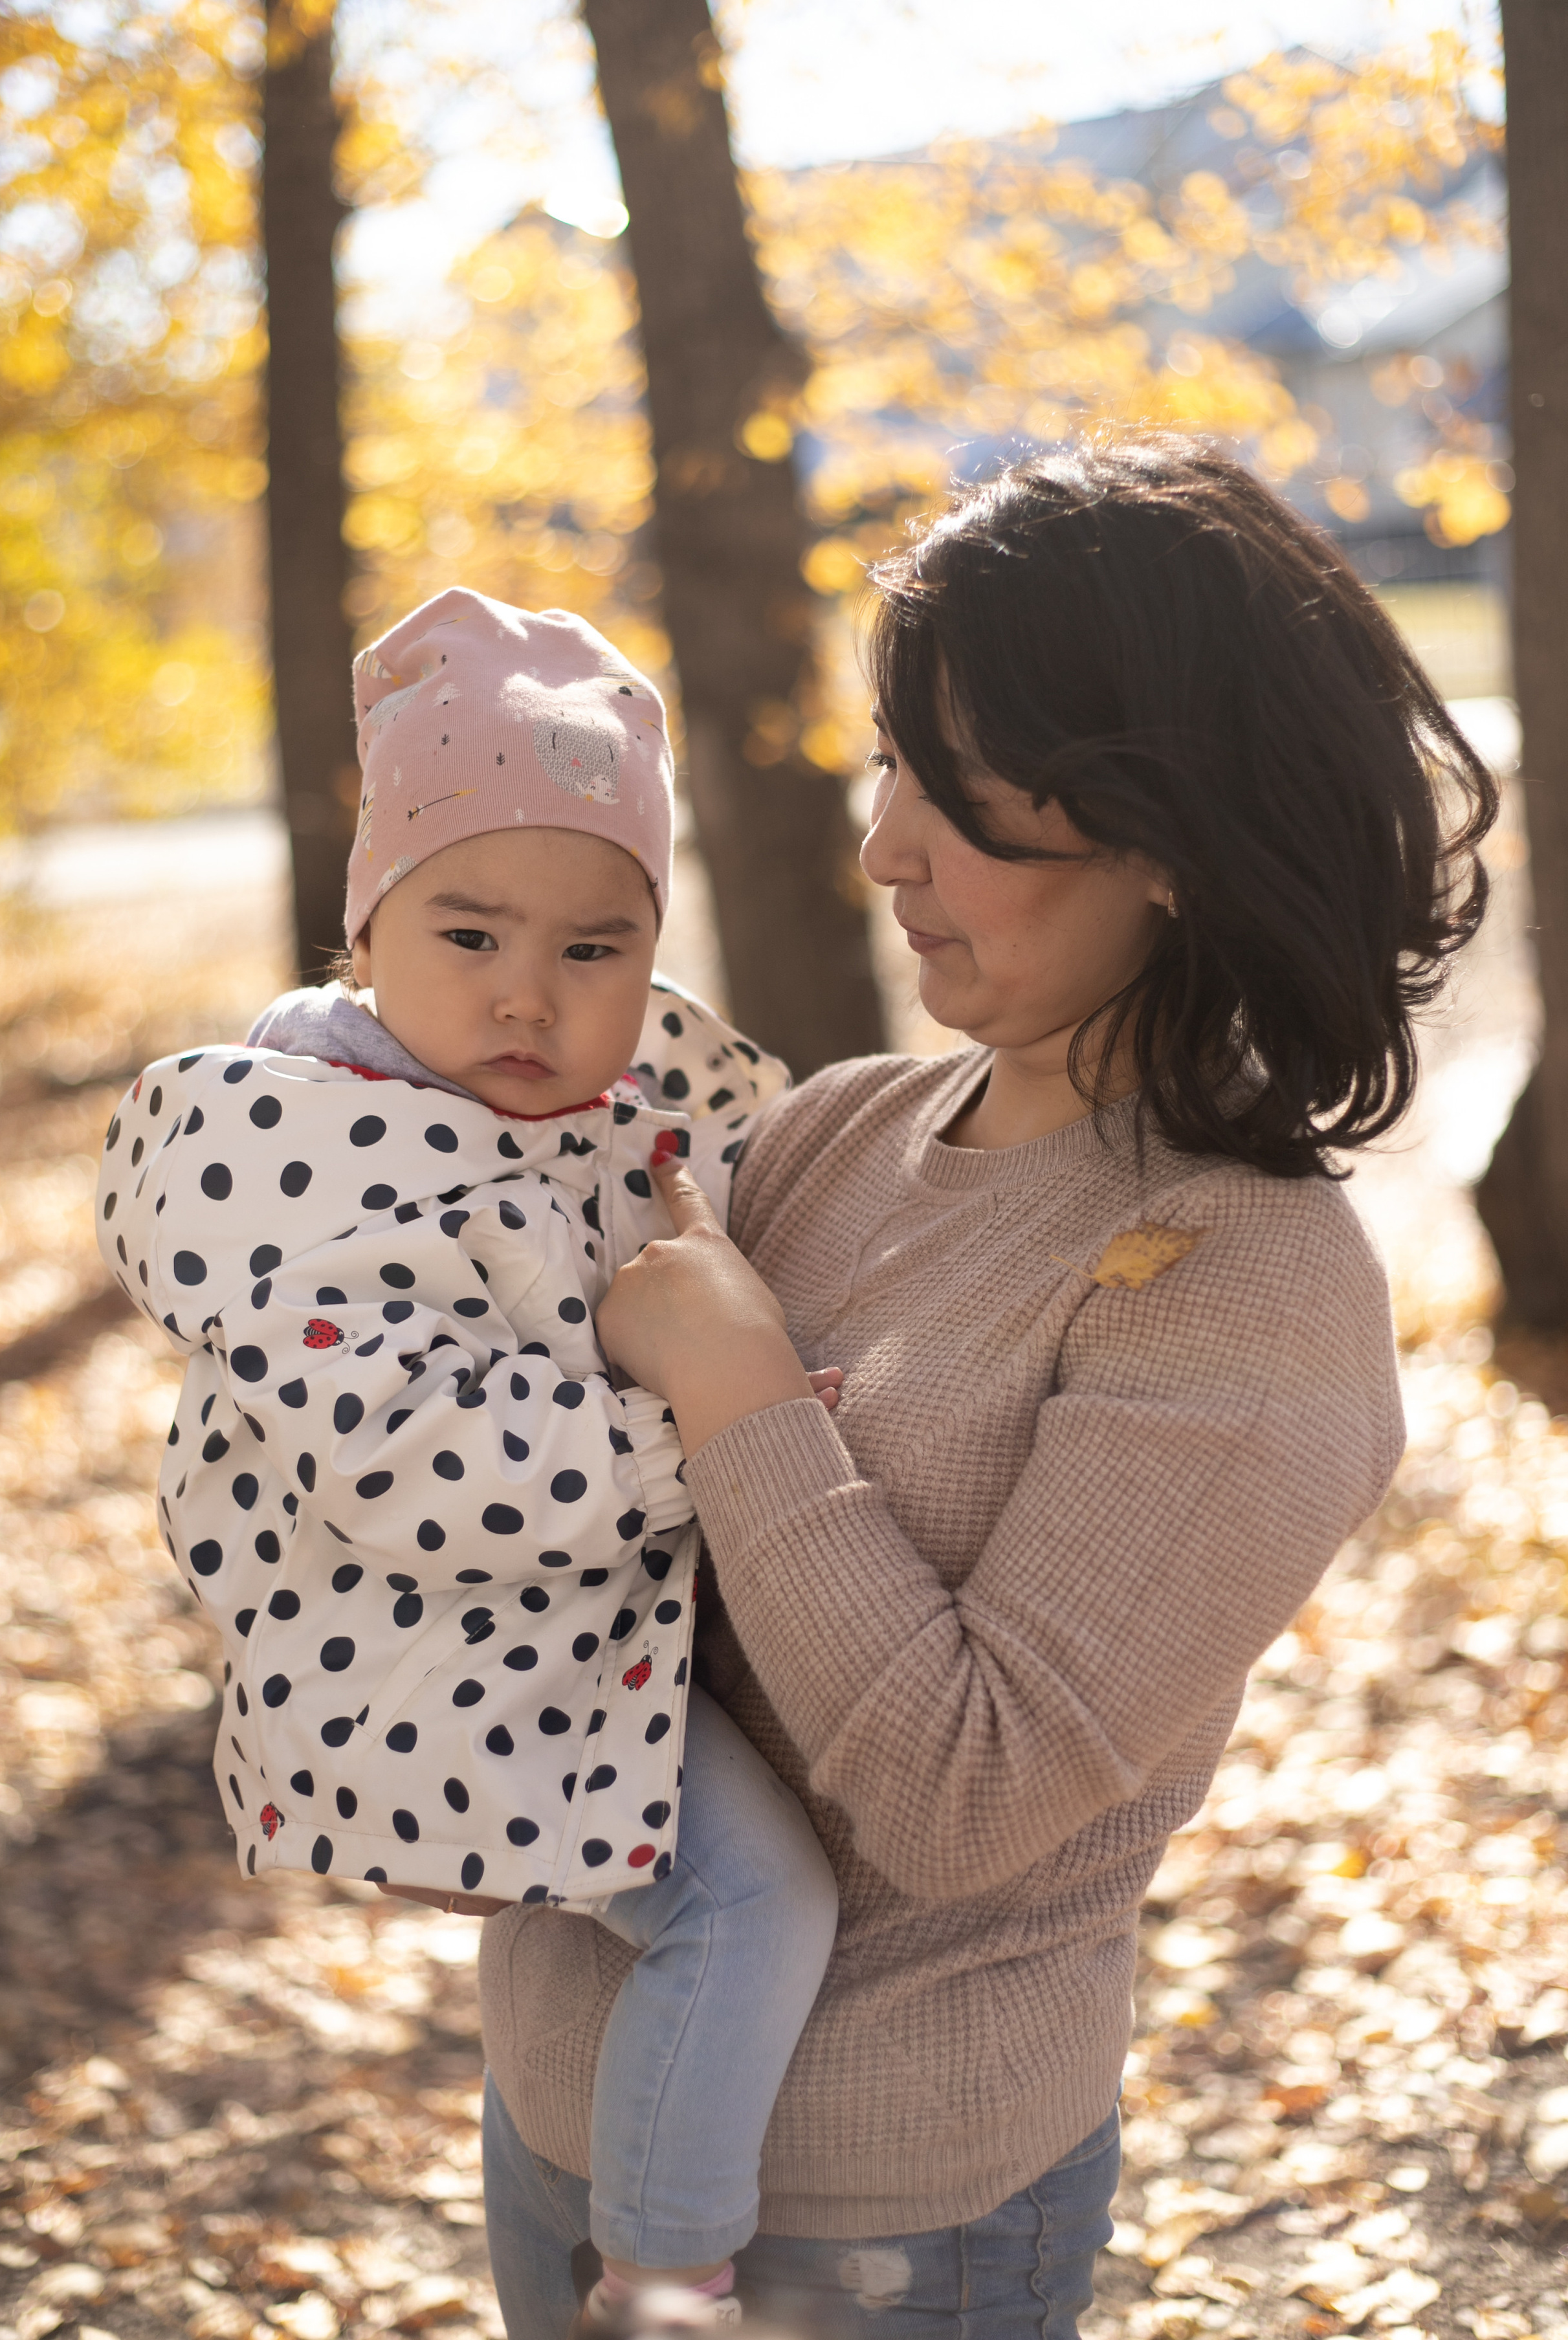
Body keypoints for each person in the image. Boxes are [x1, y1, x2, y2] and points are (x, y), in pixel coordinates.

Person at [476, 438, 1498, 2340]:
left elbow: (964, 1795)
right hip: (551, 2129)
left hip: (871, 2232)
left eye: (959, 794)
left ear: (1169, 830)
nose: (884, 847)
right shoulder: (832, 1136)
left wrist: (744, 1389)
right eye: (890, 763)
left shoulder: (1248, 1282)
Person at [94, 589, 839, 2331]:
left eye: (594, 951)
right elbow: (421, 1459)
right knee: (751, 1895)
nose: (528, 993)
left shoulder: (592, 1084)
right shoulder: (304, 1156)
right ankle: (665, 2270)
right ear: (365, 935)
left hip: (535, 1622)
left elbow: (756, 1150)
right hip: (409, 1666)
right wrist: (726, 1419)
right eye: (470, 932)